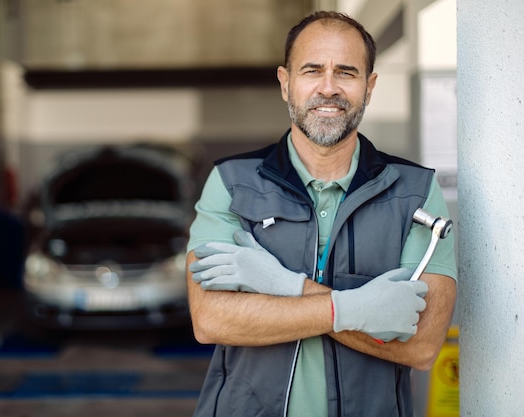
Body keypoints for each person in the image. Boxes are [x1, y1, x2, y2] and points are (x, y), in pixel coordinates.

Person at [185, 10, 457, 417]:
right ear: (286, 83)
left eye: (346, 72)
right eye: (312, 70)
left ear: (369, 86)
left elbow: (420, 346)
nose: (328, 88)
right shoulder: (231, 182)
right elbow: (212, 319)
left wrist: (282, 287)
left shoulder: (415, 191)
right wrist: (360, 309)